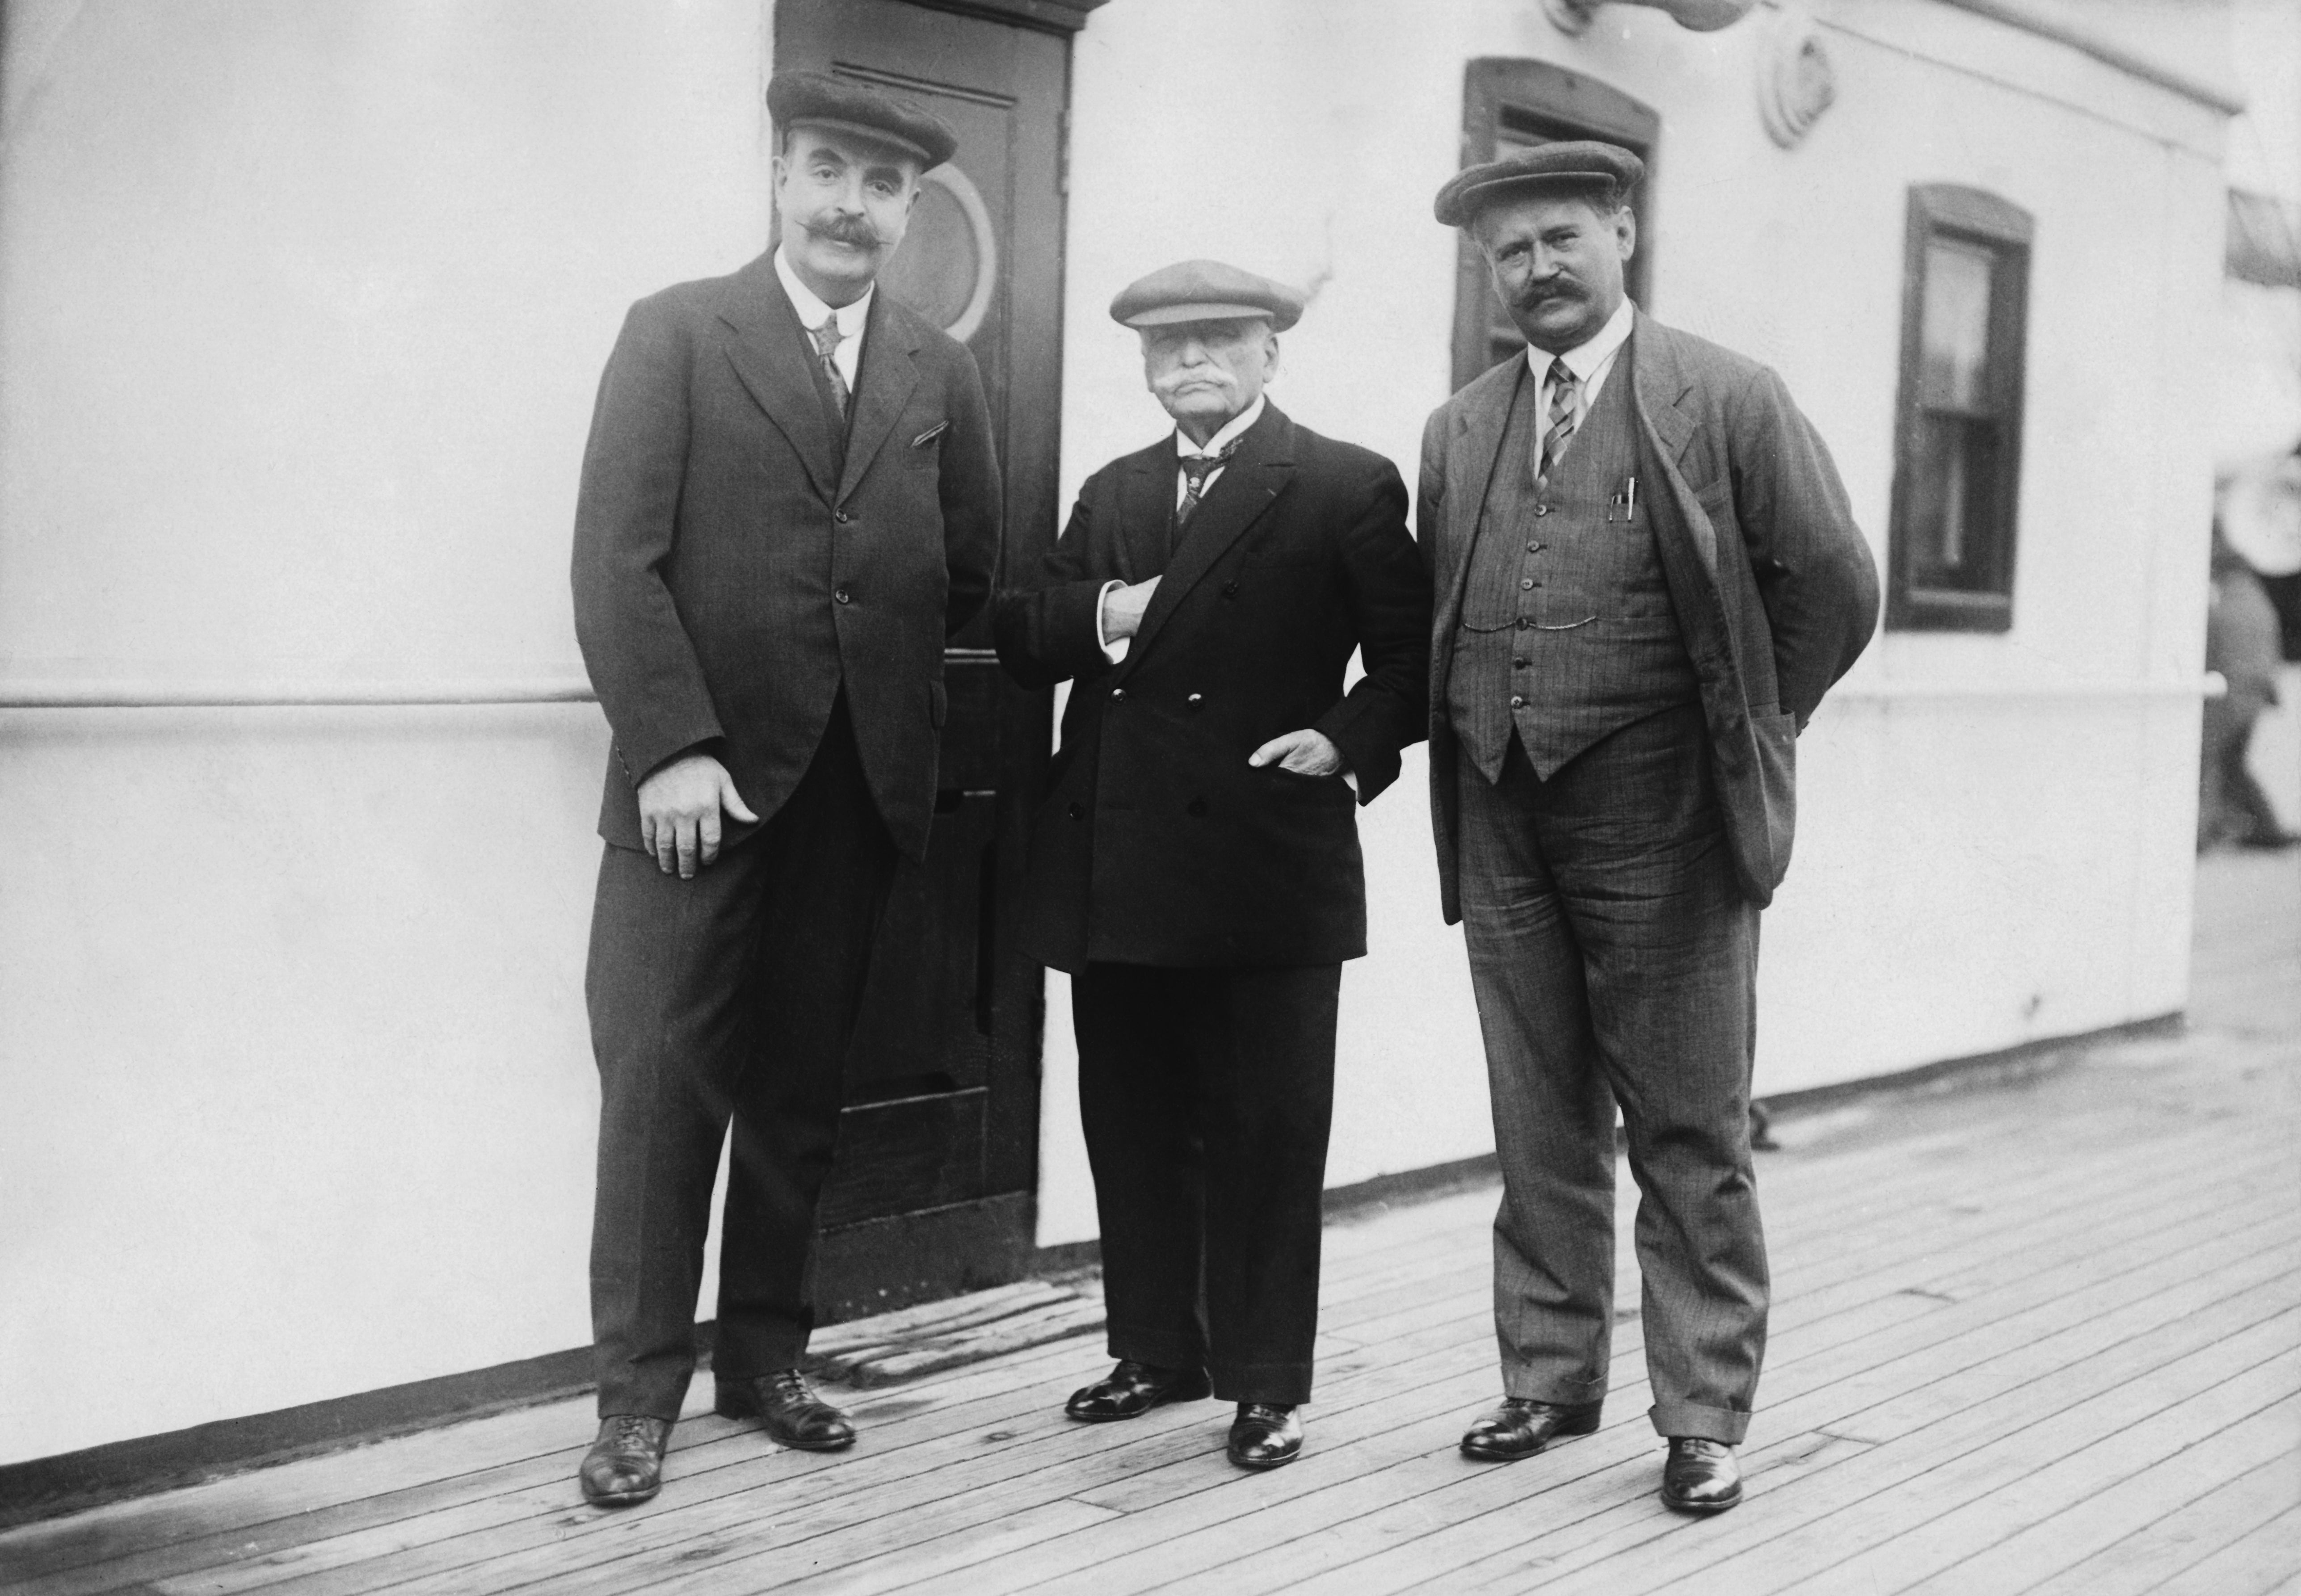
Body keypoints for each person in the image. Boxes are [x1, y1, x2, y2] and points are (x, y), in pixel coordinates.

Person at [1417, 143, 1877, 1513]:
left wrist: (1738, 721)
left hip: (1663, 811)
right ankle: (1548, 1377)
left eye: (1561, 237)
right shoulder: (1459, 427)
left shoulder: (1725, 396)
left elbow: (1834, 586)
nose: (1537, 270)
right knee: (1537, 1108)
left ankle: (1703, 1409)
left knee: (1689, 1123)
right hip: (1501, 803)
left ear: (1623, 229)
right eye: (1509, 253)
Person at [568, 70, 1001, 1506]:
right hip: (697, 793)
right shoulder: (679, 332)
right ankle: (637, 1397)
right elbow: (614, 560)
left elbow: (971, 568)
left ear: (906, 211)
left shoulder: (939, 370)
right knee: (659, 1089)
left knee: (802, 1093)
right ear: (778, 177)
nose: (851, 208)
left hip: (854, 793)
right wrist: (674, 744)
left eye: (882, 189)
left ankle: (766, 1358)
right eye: (827, 172)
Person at [994, 260, 1430, 1470]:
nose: (1192, 364)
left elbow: (1411, 661)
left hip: (1261, 853)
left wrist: (1342, 744)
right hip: (1117, 857)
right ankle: (1153, 1350)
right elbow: (1025, 630)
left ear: (1269, 354)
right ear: (1143, 364)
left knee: (1266, 1128)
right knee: (1129, 1115)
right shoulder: (1116, 489)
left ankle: (1263, 1380)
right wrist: (1115, 612)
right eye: (1168, 347)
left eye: (1219, 343)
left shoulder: (1341, 482)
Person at [2200, 526, 2299, 851]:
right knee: (2233, 764)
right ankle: (2268, 831)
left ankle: (2202, 831)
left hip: (2232, 695)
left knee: (2211, 761)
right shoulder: (2256, 600)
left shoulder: (2230, 604)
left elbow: (2218, 651)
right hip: (2253, 694)